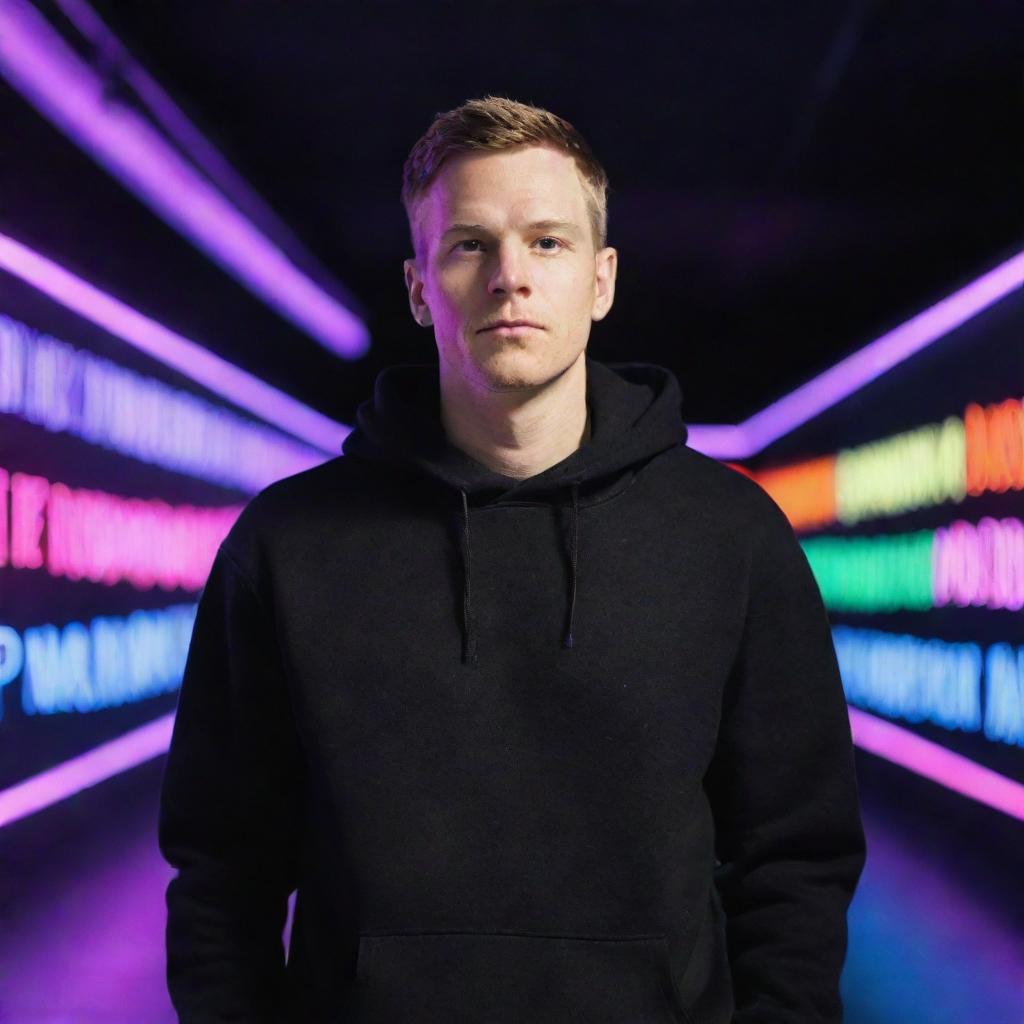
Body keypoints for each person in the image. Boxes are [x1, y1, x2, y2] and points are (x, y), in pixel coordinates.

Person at [159, 94, 867, 1023]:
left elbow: (796, 858)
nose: (509, 278)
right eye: (468, 245)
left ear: (602, 281)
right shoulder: (287, 546)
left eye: (547, 242)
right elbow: (223, 868)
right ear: (419, 288)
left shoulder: (731, 536)